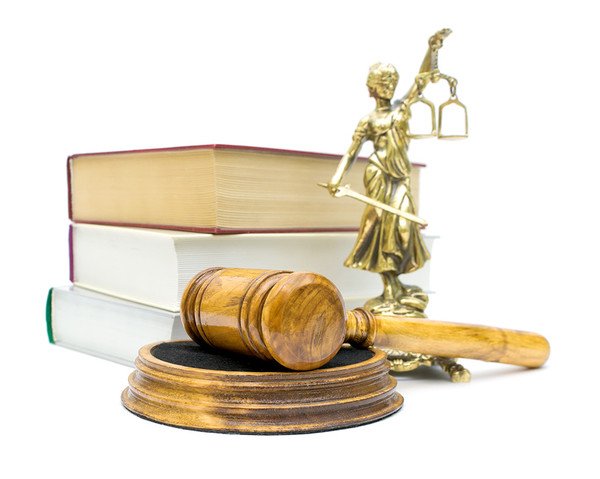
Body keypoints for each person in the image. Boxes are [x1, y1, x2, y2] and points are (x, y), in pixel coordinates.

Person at [328, 29, 454, 316]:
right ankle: (389, 288)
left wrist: (432, 48)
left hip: (400, 179)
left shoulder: (402, 107)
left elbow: (422, 80)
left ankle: (396, 286)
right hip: (379, 176)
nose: (387, 86)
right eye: (382, 82)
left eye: (391, 82)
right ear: (372, 87)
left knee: (403, 229)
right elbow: (351, 152)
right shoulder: (368, 120)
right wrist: (337, 178)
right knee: (382, 231)